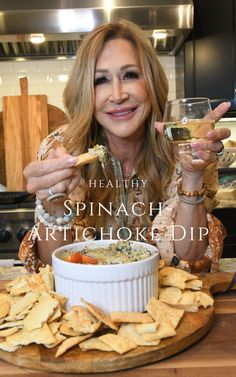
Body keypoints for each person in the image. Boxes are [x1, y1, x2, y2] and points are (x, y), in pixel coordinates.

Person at [19, 19, 231, 273]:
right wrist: (54, 204)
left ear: (151, 82)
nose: (118, 95)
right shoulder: (61, 147)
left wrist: (193, 175)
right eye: (101, 80)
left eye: (130, 75)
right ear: (86, 91)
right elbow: (53, 267)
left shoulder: (186, 146)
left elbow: (191, 259)